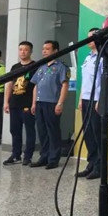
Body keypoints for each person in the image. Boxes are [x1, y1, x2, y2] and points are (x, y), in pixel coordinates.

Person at [30, 41, 70, 169]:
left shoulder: (61, 67)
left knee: (53, 131)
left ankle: (53, 159)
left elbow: (65, 85)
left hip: (52, 103)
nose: (44, 51)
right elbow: (36, 85)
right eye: (43, 49)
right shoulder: (41, 66)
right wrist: (34, 103)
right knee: (42, 131)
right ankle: (44, 157)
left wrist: (60, 103)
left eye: (47, 49)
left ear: (55, 51)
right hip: (40, 103)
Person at [3, 42, 37, 165]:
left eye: (26, 50)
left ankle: (28, 156)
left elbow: (36, 86)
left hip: (27, 104)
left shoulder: (35, 66)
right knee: (14, 130)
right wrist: (6, 102)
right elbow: (9, 84)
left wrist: (34, 103)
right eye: (20, 49)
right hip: (14, 103)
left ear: (30, 51)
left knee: (29, 130)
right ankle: (15, 155)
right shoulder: (15, 67)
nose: (23, 52)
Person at [77, 28, 103, 180]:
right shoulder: (88, 57)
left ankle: (100, 167)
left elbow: (105, 81)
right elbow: (85, 81)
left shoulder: (103, 57)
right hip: (86, 99)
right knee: (88, 134)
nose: (89, 40)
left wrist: (101, 100)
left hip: (96, 100)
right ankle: (91, 164)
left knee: (97, 134)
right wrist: (81, 98)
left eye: (92, 37)